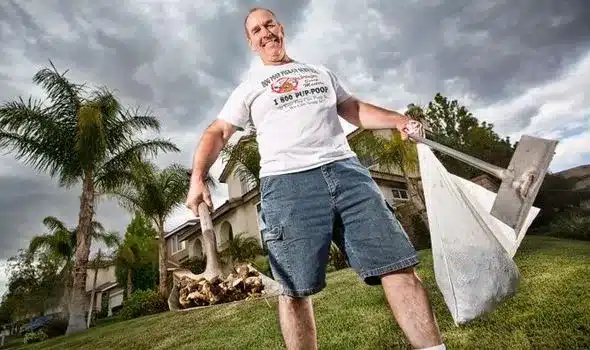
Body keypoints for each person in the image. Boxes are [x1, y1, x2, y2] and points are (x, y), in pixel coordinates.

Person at [186, 7, 445, 350]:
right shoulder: (248, 88)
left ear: (281, 28)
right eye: (256, 31)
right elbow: (218, 131)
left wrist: (397, 120)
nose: (265, 33)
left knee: (398, 266)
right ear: (251, 44)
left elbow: (352, 108)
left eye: (269, 25)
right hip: (288, 186)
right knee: (294, 291)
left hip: (349, 175)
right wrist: (198, 177)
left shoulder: (320, 72)